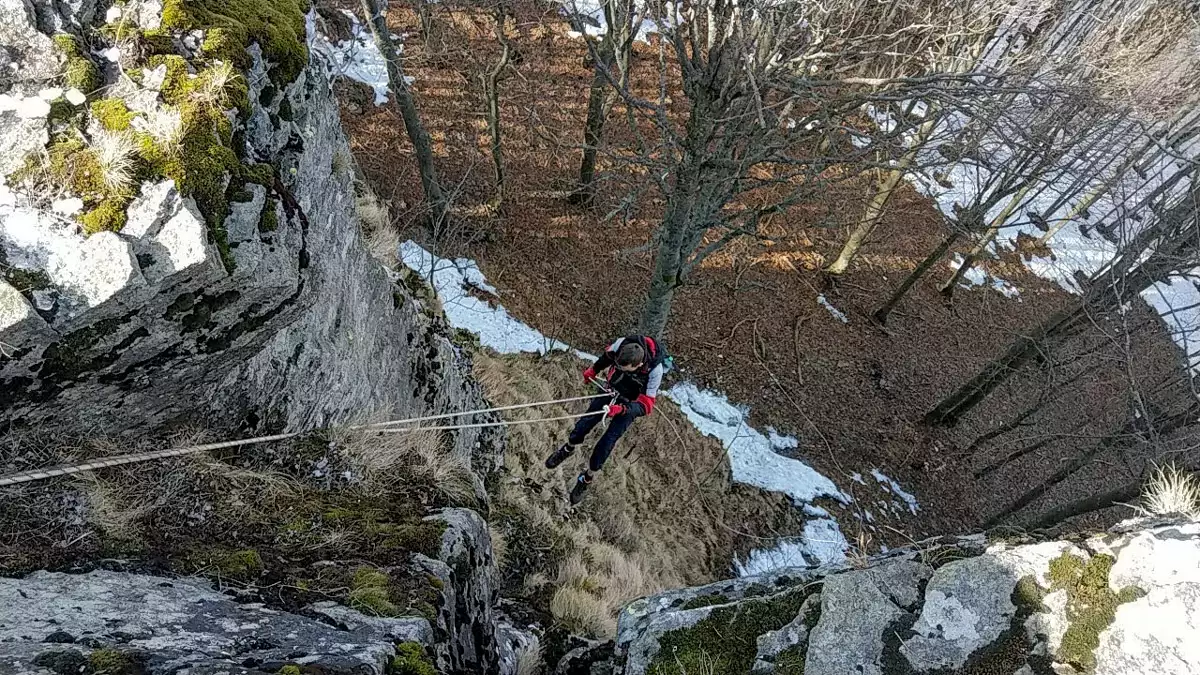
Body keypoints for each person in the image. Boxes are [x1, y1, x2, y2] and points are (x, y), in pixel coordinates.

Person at [545, 335, 665, 504]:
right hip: (611, 389)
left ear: (638, 365)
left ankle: (587, 477)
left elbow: (646, 406)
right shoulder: (621, 343)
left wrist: (622, 409)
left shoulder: (655, 370)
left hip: (630, 403)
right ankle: (568, 448)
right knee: (584, 423)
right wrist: (593, 370)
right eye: (619, 367)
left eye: (626, 369)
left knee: (607, 442)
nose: (622, 370)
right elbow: (606, 358)